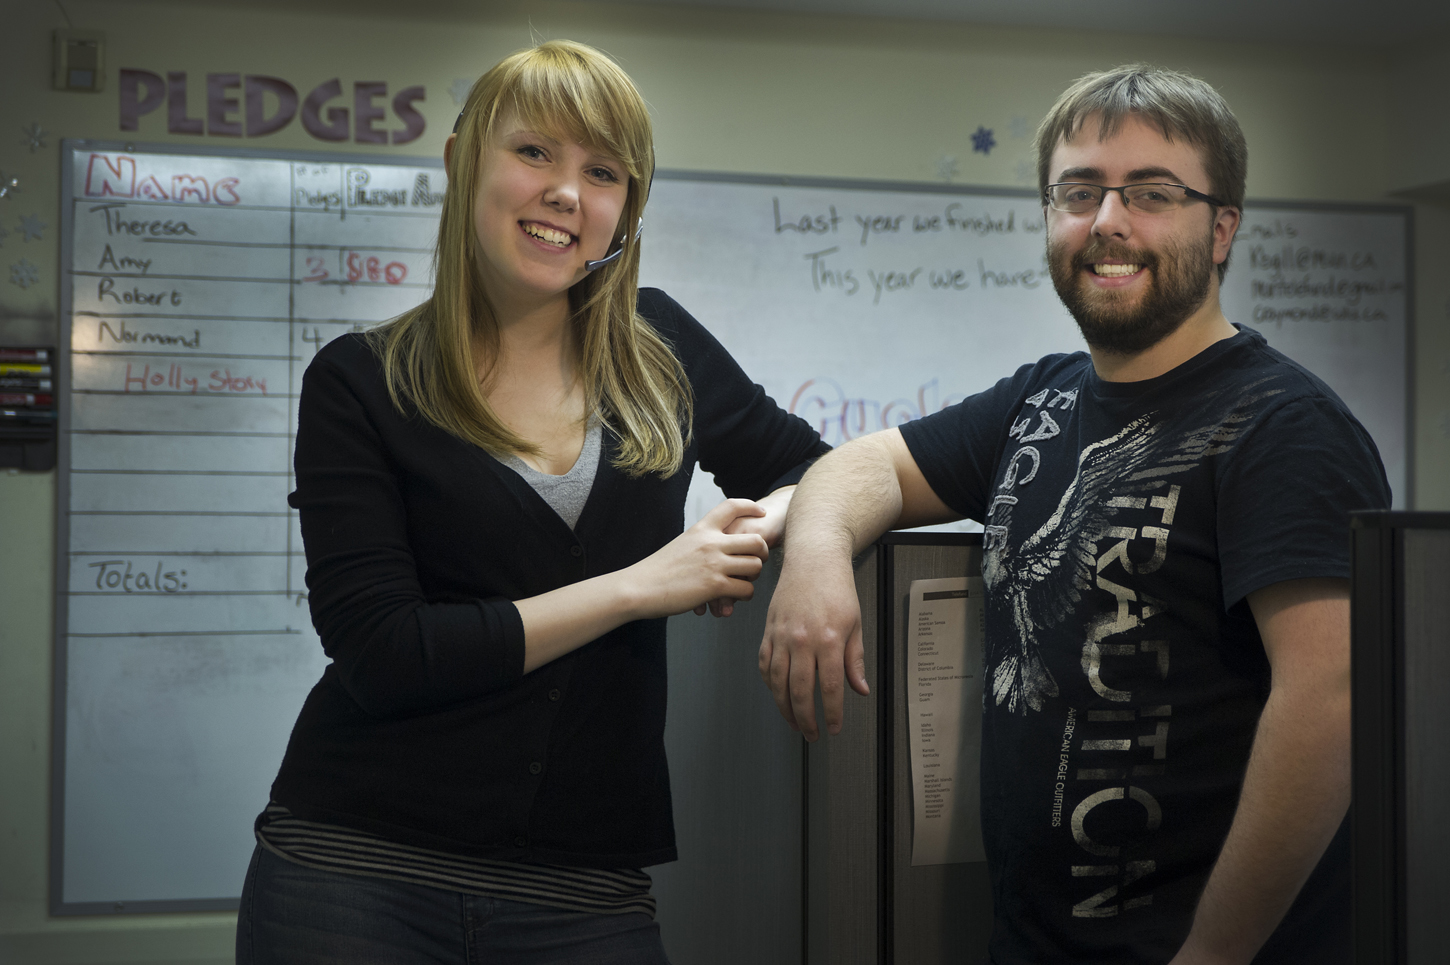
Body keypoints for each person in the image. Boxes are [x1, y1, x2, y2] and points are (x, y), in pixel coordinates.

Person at [759, 64, 1388, 964]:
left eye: (1153, 193)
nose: (1107, 222)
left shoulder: (1285, 423)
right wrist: (816, 558)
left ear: (1222, 230)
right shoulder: (1039, 400)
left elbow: (1331, 705)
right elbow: (867, 467)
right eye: (1079, 191)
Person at [237, 40, 827, 965]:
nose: (566, 192)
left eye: (602, 172)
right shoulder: (360, 380)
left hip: (585, 885)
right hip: (352, 873)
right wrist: (643, 585)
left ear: (624, 211)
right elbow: (387, 653)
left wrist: (768, 545)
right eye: (535, 153)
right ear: (464, 160)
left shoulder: (662, 347)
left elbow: (808, 469)